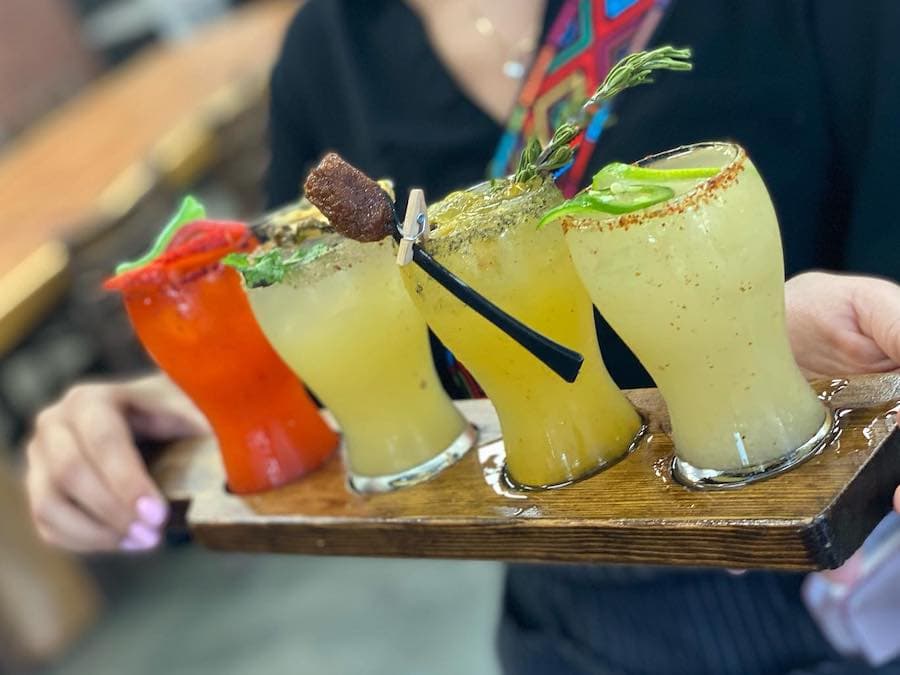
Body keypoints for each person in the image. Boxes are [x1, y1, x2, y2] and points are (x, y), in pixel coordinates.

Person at [24, 1, 900, 672]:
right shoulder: (329, 54)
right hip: (574, 612)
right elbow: (347, 365)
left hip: (853, 573)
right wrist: (169, 410)